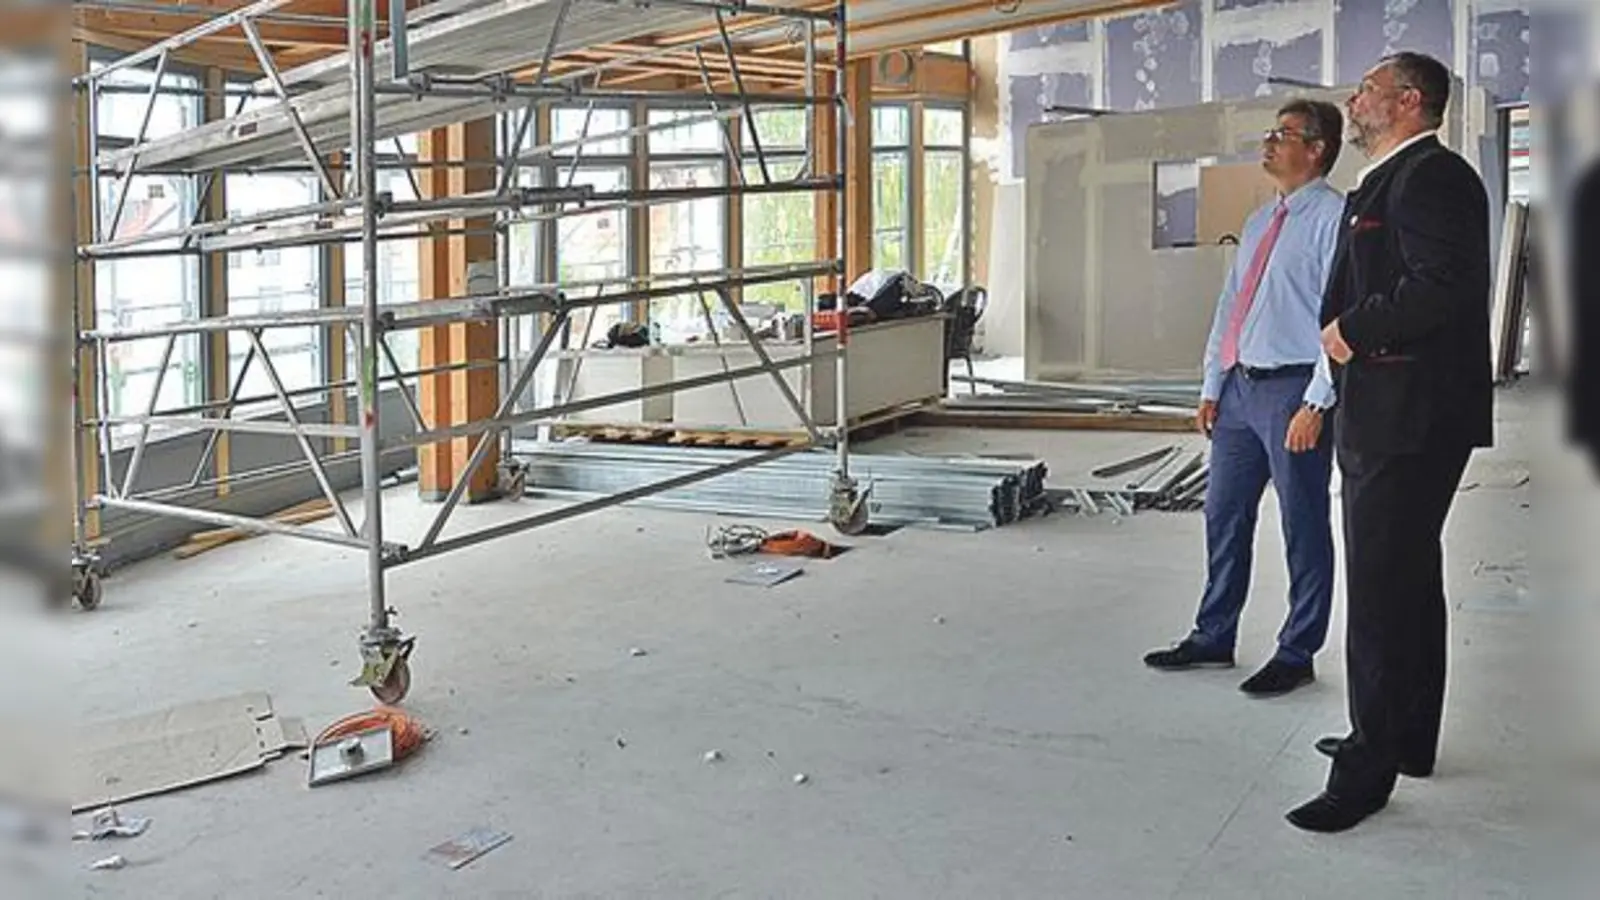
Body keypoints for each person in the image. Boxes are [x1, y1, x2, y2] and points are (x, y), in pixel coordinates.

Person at [1288, 52, 1494, 833]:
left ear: (1409, 101)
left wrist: (1349, 332)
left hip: (1409, 414)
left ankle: (1365, 774)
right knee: (1405, 580)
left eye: (1368, 91)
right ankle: (1405, 736)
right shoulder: (1389, 179)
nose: (1355, 100)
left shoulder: (1431, 178)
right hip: (1393, 410)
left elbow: (1443, 285)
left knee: (1377, 593)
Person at [1143, 99, 1345, 697]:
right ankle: (1214, 635)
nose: (1269, 143)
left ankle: (1297, 649)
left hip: (1292, 392)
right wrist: (1213, 385)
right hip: (1239, 391)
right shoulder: (1262, 220)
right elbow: (1232, 307)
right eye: (1270, 133)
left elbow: (1340, 320)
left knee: (1303, 522)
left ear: (1317, 150)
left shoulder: (1332, 220)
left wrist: (1317, 401)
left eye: (1284, 135)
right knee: (1223, 515)